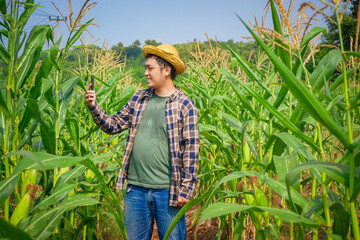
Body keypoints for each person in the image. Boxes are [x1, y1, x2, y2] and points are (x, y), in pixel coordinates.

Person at [83, 44, 200, 240]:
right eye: (145, 68)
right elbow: (113, 125)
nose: (145, 73)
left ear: (166, 70)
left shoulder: (184, 105)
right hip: (135, 190)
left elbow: (191, 149)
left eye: (150, 68)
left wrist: (187, 189)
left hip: (168, 191)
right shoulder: (139, 99)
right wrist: (93, 106)